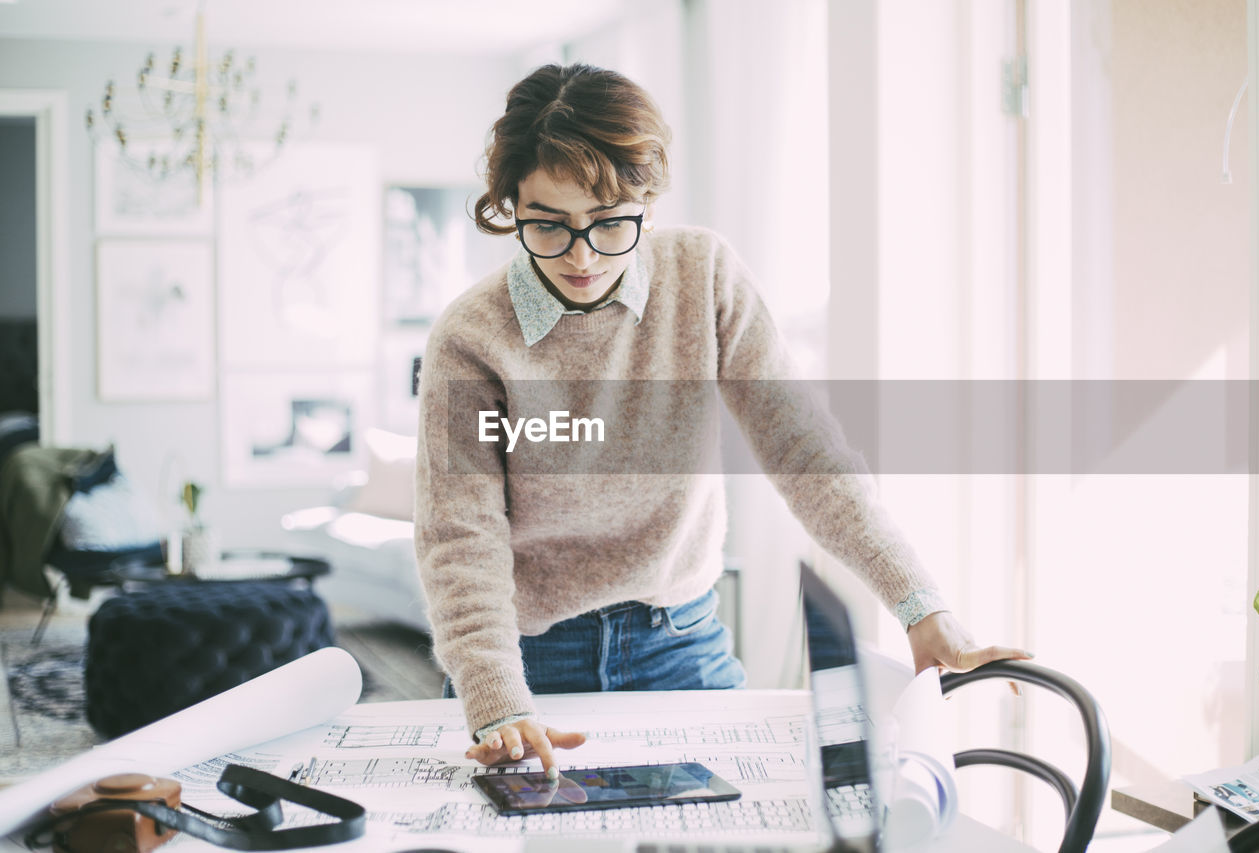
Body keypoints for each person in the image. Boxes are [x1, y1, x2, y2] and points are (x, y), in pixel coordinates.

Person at [414, 62, 1032, 777]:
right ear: (510, 205)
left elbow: (807, 454)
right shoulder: (471, 337)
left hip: (678, 639)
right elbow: (462, 538)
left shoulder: (702, 276)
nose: (582, 255)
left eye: (610, 223)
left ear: (646, 201)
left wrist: (920, 605)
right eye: (548, 225)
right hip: (528, 655)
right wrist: (495, 697)